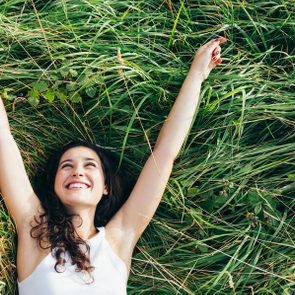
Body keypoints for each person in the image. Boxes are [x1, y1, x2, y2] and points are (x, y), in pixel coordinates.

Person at [0, 37, 226, 294]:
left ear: (106, 186)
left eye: (89, 165)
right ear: (53, 184)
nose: (78, 171)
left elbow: (164, 155)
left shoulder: (118, 240)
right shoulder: (35, 232)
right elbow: (2, 138)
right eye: (67, 166)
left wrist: (197, 75)